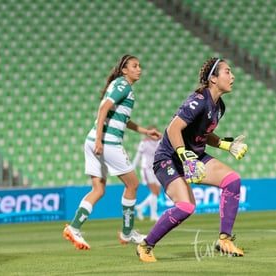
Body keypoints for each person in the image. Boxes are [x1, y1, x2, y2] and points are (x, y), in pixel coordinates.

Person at [136, 57, 248, 262]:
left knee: (232, 180)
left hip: (193, 156)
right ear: (213, 78)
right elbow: (173, 128)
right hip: (168, 158)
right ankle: (146, 245)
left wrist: (226, 145)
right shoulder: (198, 100)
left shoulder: (219, 107)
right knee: (186, 207)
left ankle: (224, 239)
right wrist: (184, 155)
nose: (232, 76)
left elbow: (204, 134)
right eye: (227, 72)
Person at [63, 54, 162, 249]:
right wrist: (100, 139)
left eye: (140, 65)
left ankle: (73, 228)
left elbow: (120, 117)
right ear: (124, 70)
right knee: (132, 184)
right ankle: (127, 233)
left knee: (98, 189)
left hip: (92, 141)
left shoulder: (120, 86)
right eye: (134, 66)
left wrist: (144, 131)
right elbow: (103, 109)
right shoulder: (123, 85)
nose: (139, 69)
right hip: (106, 143)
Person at [132, 125, 162, 222]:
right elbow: (138, 156)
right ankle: (153, 215)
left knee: (157, 193)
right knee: (154, 192)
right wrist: (132, 168)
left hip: (156, 169)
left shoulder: (159, 142)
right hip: (146, 169)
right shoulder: (144, 143)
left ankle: (140, 207)